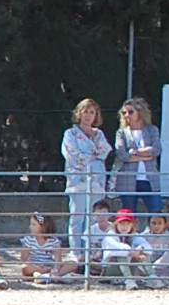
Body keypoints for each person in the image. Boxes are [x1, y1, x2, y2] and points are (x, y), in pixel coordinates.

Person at [61, 99, 112, 258]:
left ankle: (92, 254)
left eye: (92, 112)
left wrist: (92, 156)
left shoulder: (99, 134)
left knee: (94, 217)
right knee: (77, 217)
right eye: (85, 111)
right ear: (79, 113)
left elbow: (105, 151)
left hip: (97, 181)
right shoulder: (71, 133)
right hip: (78, 181)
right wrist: (92, 157)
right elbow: (72, 155)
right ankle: (76, 253)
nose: (88, 115)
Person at [111, 99, 162, 214]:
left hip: (150, 180)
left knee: (157, 213)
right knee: (129, 215)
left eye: (130, 112)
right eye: (124, 113)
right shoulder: (121, 133)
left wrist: (134, 152)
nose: (127, 115)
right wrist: (145, 155)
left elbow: (156, 150)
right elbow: (122, 155)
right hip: (127, 180)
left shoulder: (152, 129)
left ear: (140, 112)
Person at [97, 208, 149, 288]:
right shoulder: (110, 235)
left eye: (127, 224)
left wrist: (140, 249)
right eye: (121, 223)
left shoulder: (134, 235)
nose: (124, 226)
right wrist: (131, 251)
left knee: (144, 252)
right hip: (111, 269)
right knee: (120, 253)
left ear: (132, 225)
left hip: (129, 267)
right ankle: (129, 280)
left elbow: (148, 246)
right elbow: (116, 247)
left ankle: (152, 277)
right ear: (116, 224)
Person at [15, 213, 68, 284]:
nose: (30, 227)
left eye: (34, 224)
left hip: (50, 266)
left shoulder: (54, 241)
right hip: (35, 266)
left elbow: (58, 260)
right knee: (25, 267)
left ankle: (48, 276)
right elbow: (24, 260)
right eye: (30, 224)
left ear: (43, 227)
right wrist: (38, 267)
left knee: (73, 264)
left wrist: (55, 269)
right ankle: (52, 276)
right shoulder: (28, 240)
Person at [143, 211, 169, 282]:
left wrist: (157, 265)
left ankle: (154, 273)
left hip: (162, 264)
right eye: (153, 223)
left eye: (160, 223)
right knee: (138, 267)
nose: (156, 226)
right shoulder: (143, 236)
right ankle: (158, 274)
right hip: (148, 264)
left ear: (165, 224)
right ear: (149, 224)